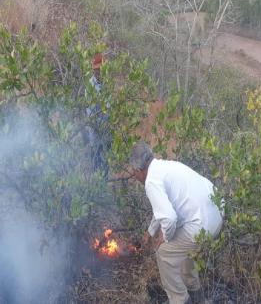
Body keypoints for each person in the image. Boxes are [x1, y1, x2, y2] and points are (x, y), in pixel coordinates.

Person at [129, 141, 223, 304]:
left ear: (139, 170)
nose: (134, 176)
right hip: (217, 214)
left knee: (164, 252)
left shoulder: (151, 181)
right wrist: (151, 232)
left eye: (133, 173)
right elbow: (164, 209)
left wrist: (164, 237)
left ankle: (180, 300)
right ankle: (195, 292)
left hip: (201, 224)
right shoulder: (165, 166)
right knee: (184, 248)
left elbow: (169, 218)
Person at [85, 53, 111, 175]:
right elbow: (90, 114)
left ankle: (104, 187)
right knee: (96, 165)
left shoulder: (108, 84)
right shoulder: (90, 86)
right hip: (96, 133)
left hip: (107, 133)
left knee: (106, 165)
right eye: (96, 69)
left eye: (100, 69)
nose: (98, 71)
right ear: (93, 70)